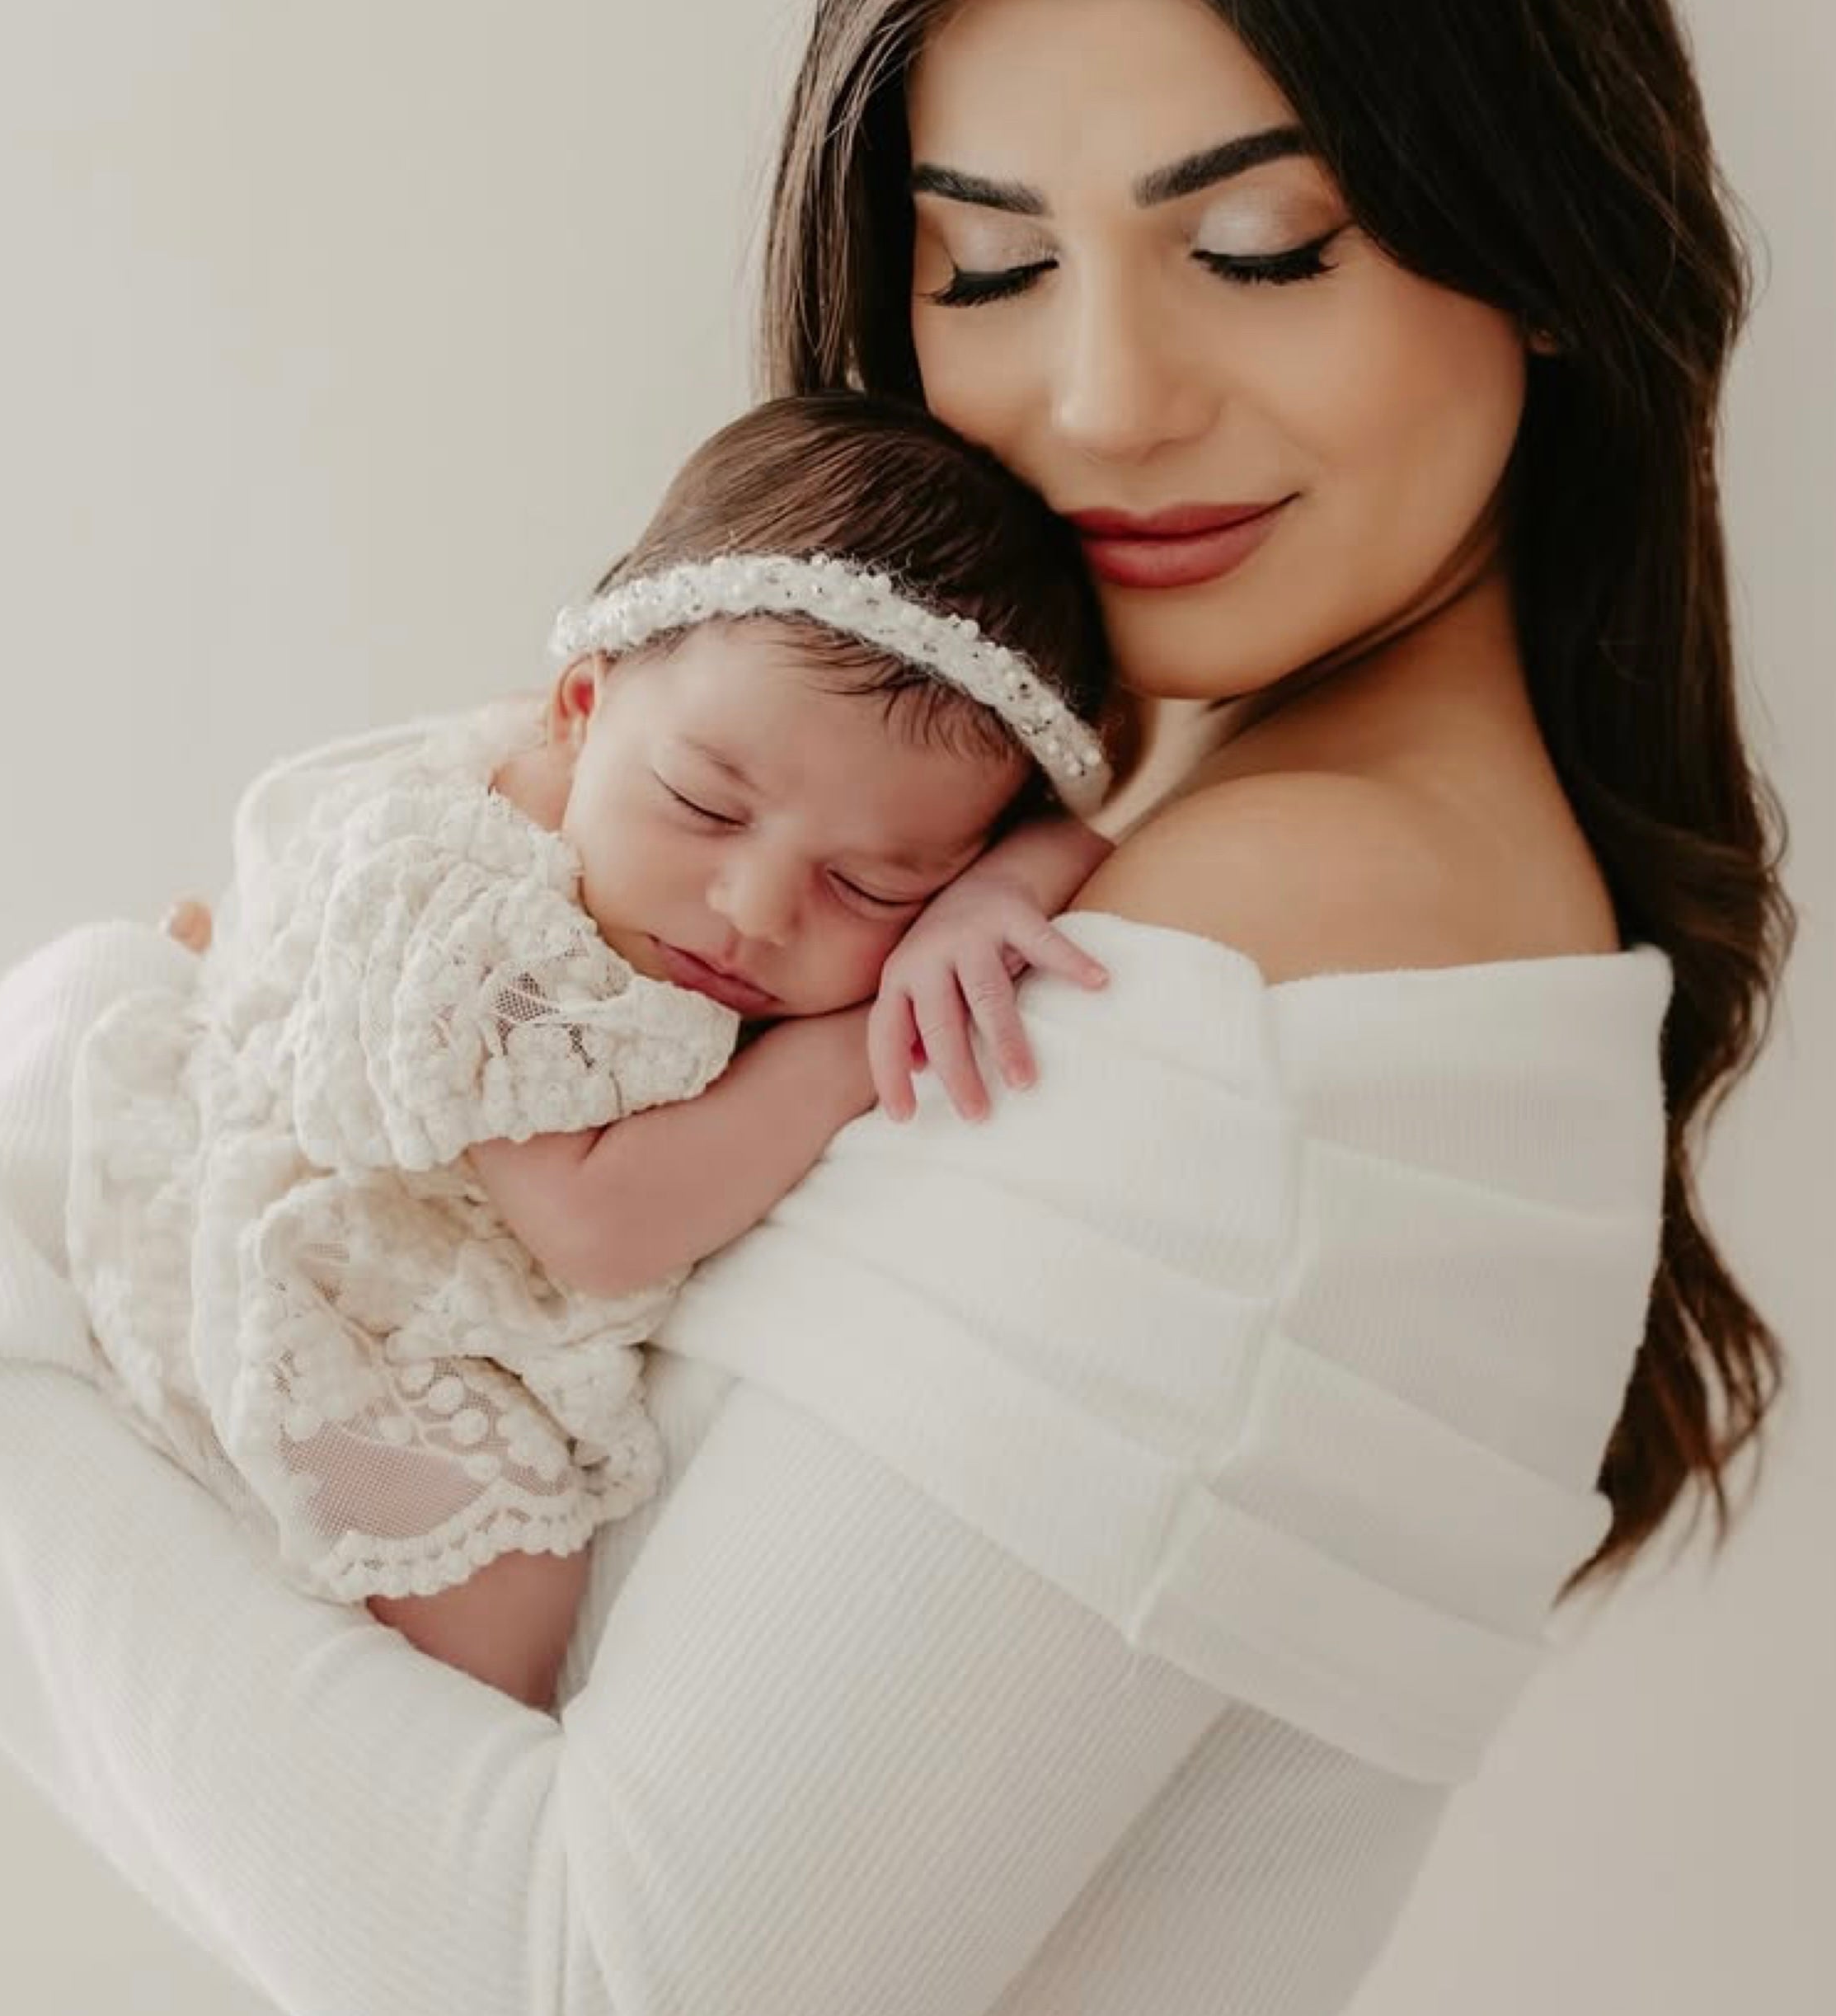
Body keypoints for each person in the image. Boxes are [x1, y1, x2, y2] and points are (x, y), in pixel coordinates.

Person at [0, 0, 1792, 2016]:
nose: (1101, 401)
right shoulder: (1133, 856)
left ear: (1550, 233)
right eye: (986, 267)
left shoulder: (1273, 970)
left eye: (1262, 247)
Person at [63, 391, 1120, 1709]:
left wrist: (991, 891)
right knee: (501, 1627)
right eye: (703, 807)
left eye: (874, 883)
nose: (756, 908)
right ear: (578, 707)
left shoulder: (704, 768)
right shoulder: (474, 912)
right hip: (335, 1294)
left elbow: (1093, 825)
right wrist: (854, 1038)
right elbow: (596, 1223)